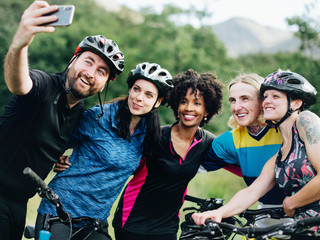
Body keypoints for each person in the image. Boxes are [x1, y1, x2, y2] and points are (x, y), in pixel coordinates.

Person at [0, 1, 124, 239]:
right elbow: (19, 82)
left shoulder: (80, 113)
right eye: (88, 61)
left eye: (101, 71)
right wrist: (19, 44)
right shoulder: (44, 86)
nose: (91, 73)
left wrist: (56, 157)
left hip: (20, 204)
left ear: (105, 84)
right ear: (73, 59)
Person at [36, 62, 174, 239]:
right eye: (136, 89)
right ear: (130, 90)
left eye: (148, 95)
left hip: (95, 220)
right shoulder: (99, 118)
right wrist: (57, 157)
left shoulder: (148, 135)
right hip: (60, 210)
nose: (139, 98)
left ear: (158, 102)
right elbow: (57, 140)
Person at [193, 70, 320, 240]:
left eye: (275, 96)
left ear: (295, 103)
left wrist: (291, 202)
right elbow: (252, 191)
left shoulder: (306, 120)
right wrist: (219, 212)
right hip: (303, 231)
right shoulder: (281, 153)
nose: (267, 101)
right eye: (265, 96)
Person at [112, 69, 224, 240]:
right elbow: (119, 160)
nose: (188, 108)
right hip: (132, 221)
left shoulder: (207, 142)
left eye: (197, 103)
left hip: (167, 227)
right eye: (183, 101)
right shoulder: (155, 135)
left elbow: (237, 163)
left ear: (207, 110)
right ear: (175, 104)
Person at [200, 73, 290, 232]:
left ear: (263, 101)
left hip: (308, 223)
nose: (236, 107)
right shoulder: (229, 141)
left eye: (245, 99)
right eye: (233, 100)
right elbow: (187, 167)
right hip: (264, 227)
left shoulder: (287, 130)